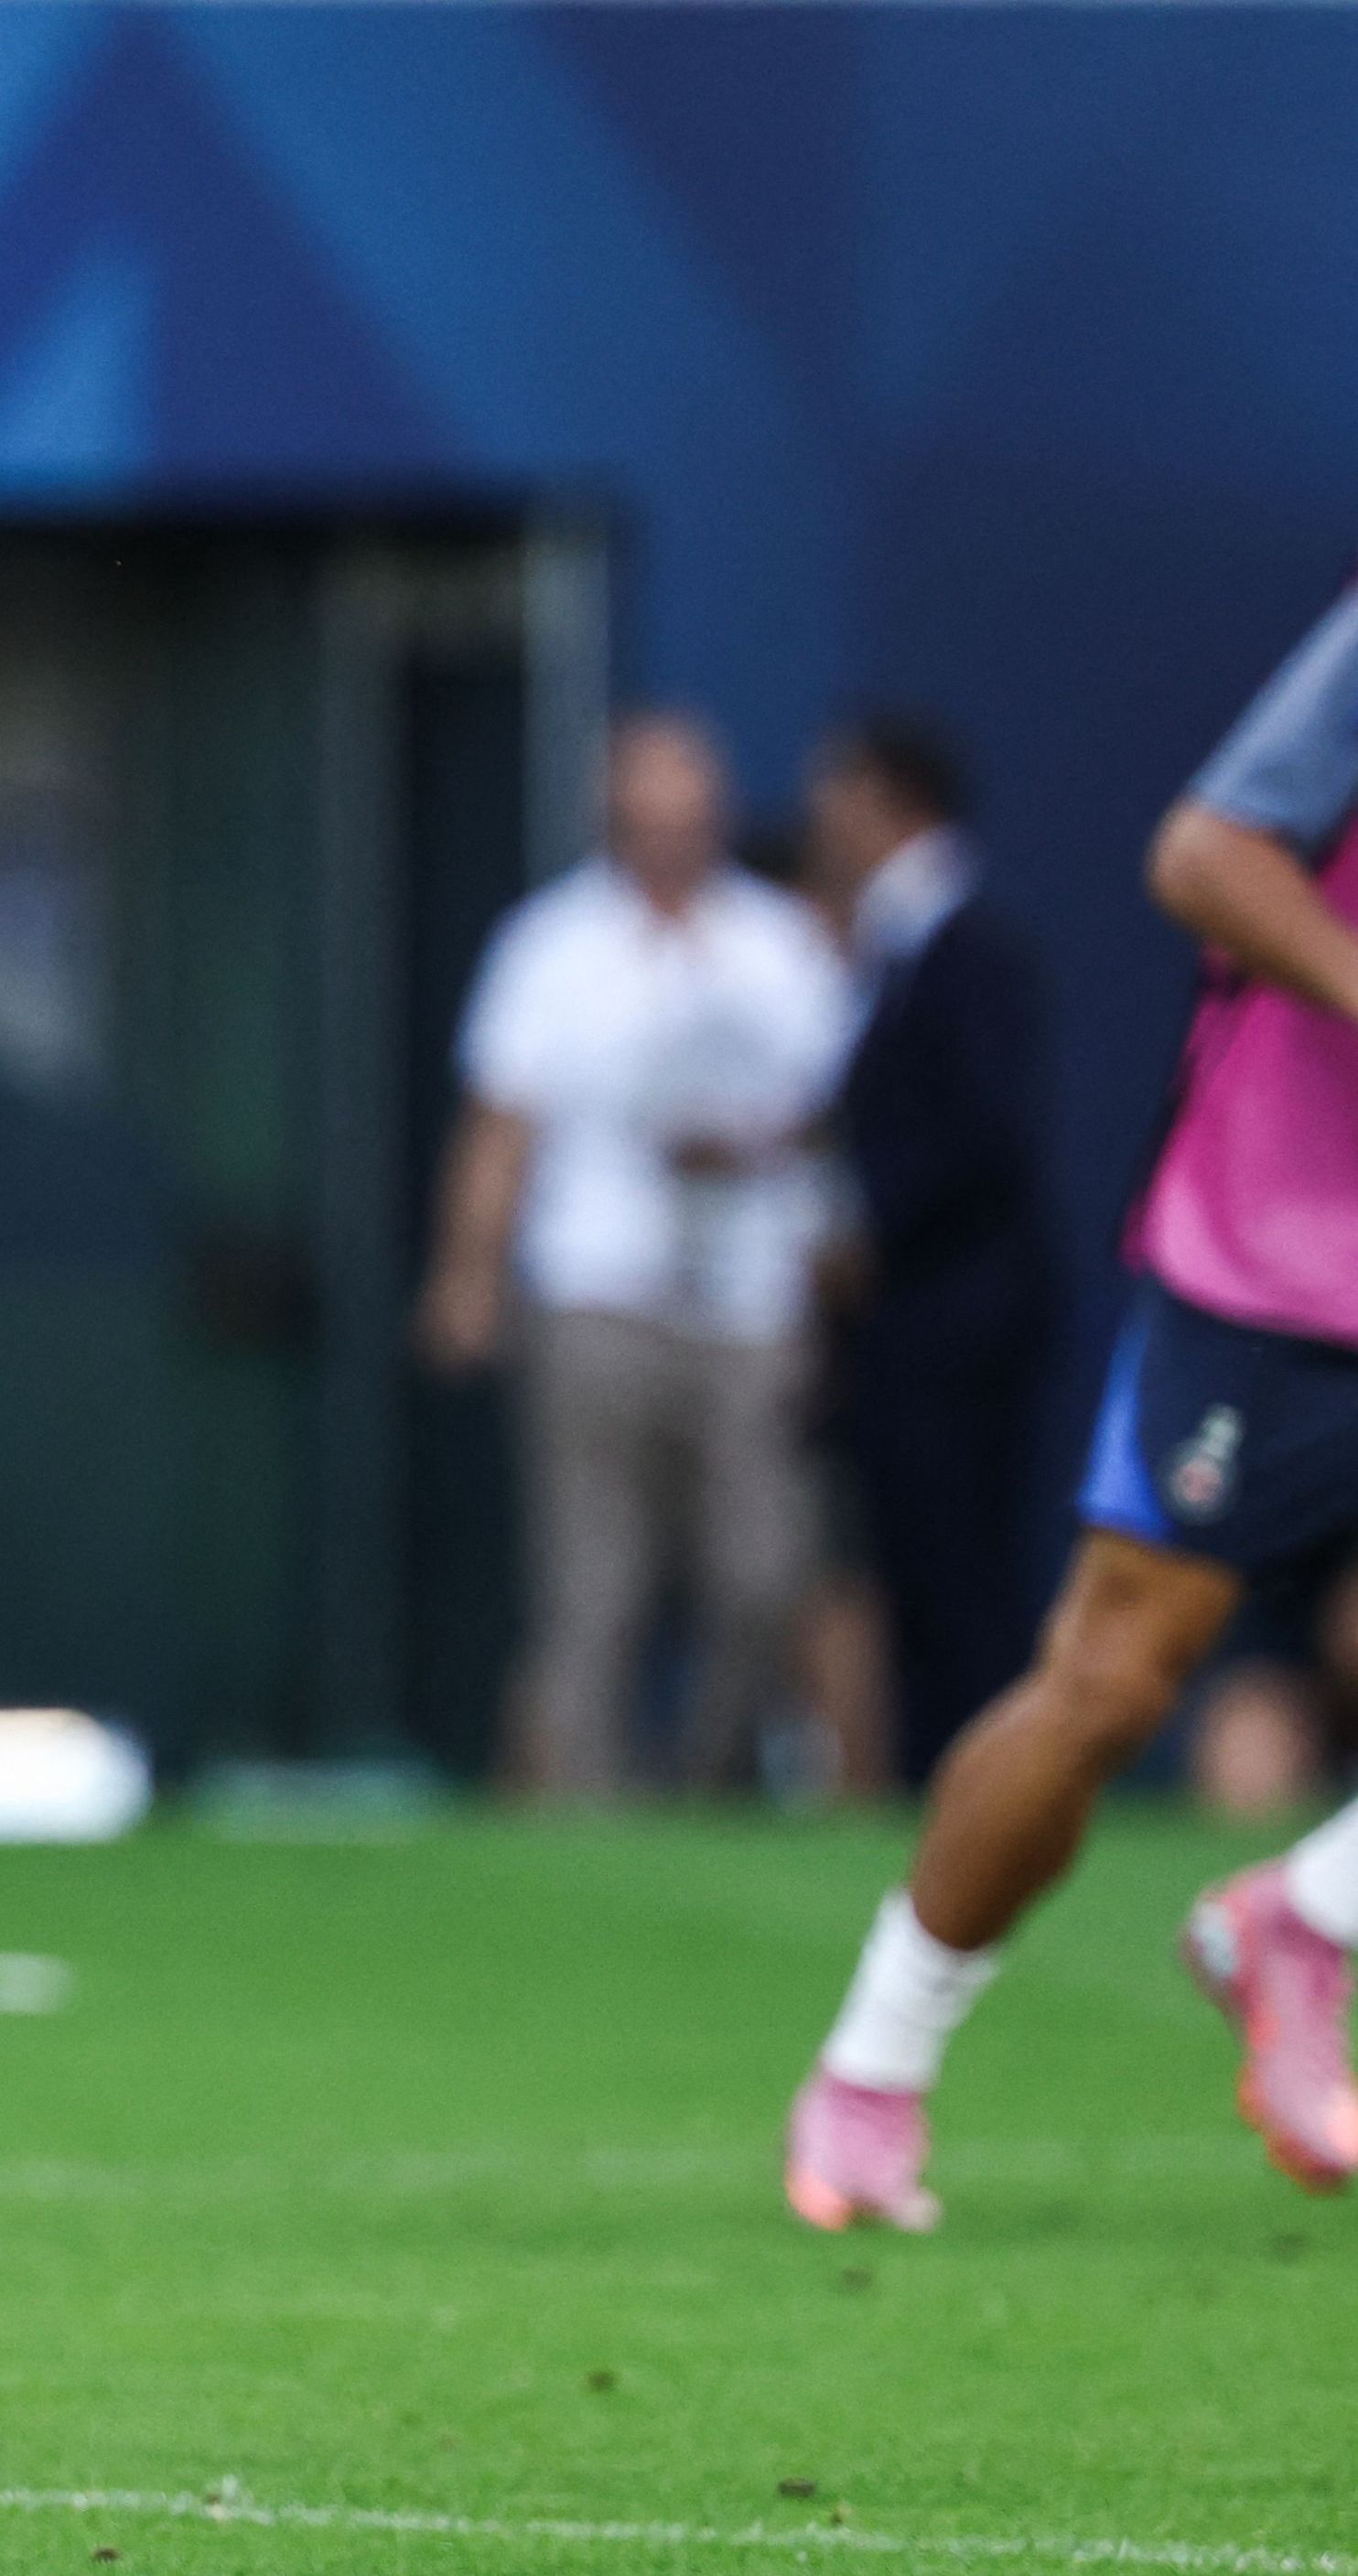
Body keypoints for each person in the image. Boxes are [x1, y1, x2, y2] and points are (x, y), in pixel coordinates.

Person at [786, 583, 1358, 2231]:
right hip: (1277, 1253)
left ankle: (1310, 1912)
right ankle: (870, 2069)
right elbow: (1205, 853)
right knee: (1109, 1680)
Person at [418, 713, 857, 1796]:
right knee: (593, 1583)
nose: (670, 838)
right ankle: (588, 1811)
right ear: (613, 820)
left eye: (689, 817)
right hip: (597, 1286)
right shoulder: (550, 947)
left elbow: (836, 1115)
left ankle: (707, 1788)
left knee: (763, 1571)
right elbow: (502, 1122)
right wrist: (467, 1271)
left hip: (752, 1295)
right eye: (649, 818)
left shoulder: (781, 943)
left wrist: (779, 1179)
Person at [808, 710, 1056, 1789]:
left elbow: (986, 1133)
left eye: (839, 794)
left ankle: (988, 1792)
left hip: (958, 1320)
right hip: (918, 1324)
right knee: (915, 1573)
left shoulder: (966, 952)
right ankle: (941, 1792)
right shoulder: (893, 951)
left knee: (963, 1576)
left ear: (890, 801)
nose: (823, 817)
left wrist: (874, 1229)